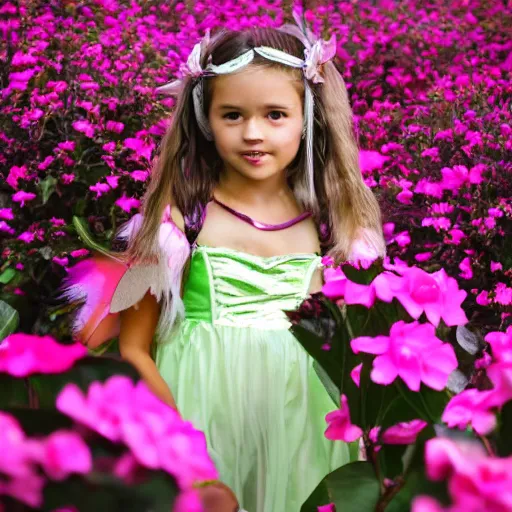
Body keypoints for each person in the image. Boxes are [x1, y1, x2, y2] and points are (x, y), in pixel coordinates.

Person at [60, 22, 385, 512]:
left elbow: (355, 351)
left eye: (276, 114)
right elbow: (134, 349)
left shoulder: (332, 232)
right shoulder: (178, 224)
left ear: (307, 117)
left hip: (299, 421)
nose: (253, 133)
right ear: (206, 119)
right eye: (232, 115)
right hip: (198, 416)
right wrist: (187, 462)